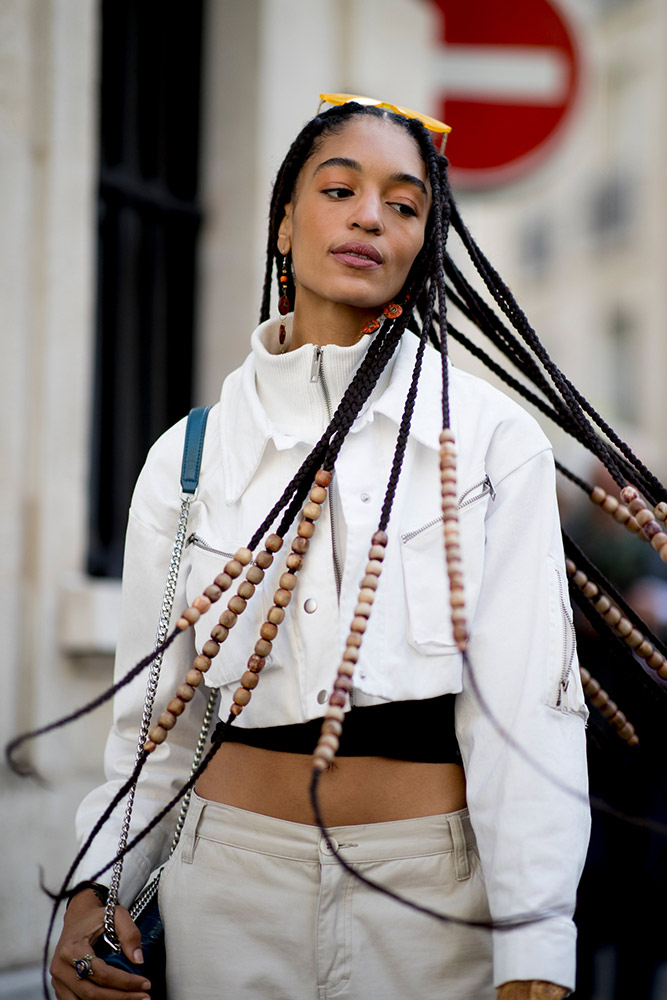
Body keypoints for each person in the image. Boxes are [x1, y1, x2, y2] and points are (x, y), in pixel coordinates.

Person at [49, 96, 591, 1000]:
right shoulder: (189, 459)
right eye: (339, 189)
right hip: (223, 890)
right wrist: (94, 885)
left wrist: (535, 943)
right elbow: (154, 724)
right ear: (283, 225)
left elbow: (527, 712)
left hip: (430, 901)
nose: (370, 216)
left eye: (406, 204)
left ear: (425, 247)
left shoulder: (493, 445)